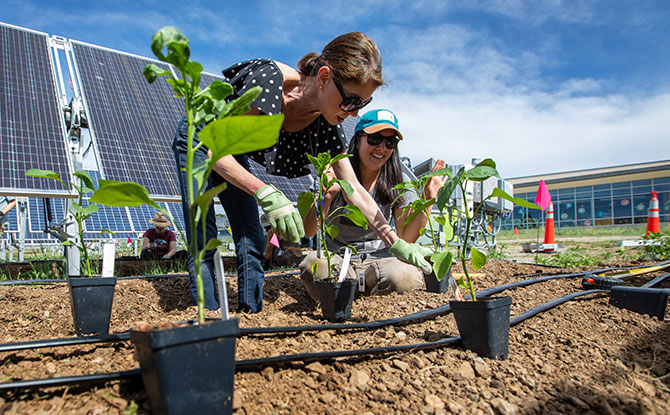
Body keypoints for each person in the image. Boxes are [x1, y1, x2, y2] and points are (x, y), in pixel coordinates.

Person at [174, 32, 433, 313]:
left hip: (230, 151)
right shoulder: (270, 81)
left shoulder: (325, 124)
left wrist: (395, 243)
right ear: (324, 78)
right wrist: (266, 192)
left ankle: (250, 314)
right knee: (204, 232)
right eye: (351, 101)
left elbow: (353, 188)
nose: (354, 114)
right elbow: (215, 150)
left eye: (362, 104)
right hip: (200, 140)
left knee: (252, 237)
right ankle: (208, 315)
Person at [299, 109, 447, 299]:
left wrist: (428, 200)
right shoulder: (334, 173)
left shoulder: (398, 181)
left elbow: (405, 238)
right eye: (374, 139)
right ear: (358, 140)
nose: (382, 148)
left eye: (390, 142)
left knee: (405, 277)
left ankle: (364, 300)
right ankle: (346, 295)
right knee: (313, 265)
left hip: (381, 260)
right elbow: (310, 230)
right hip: (339, 258)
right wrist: (326, 195)